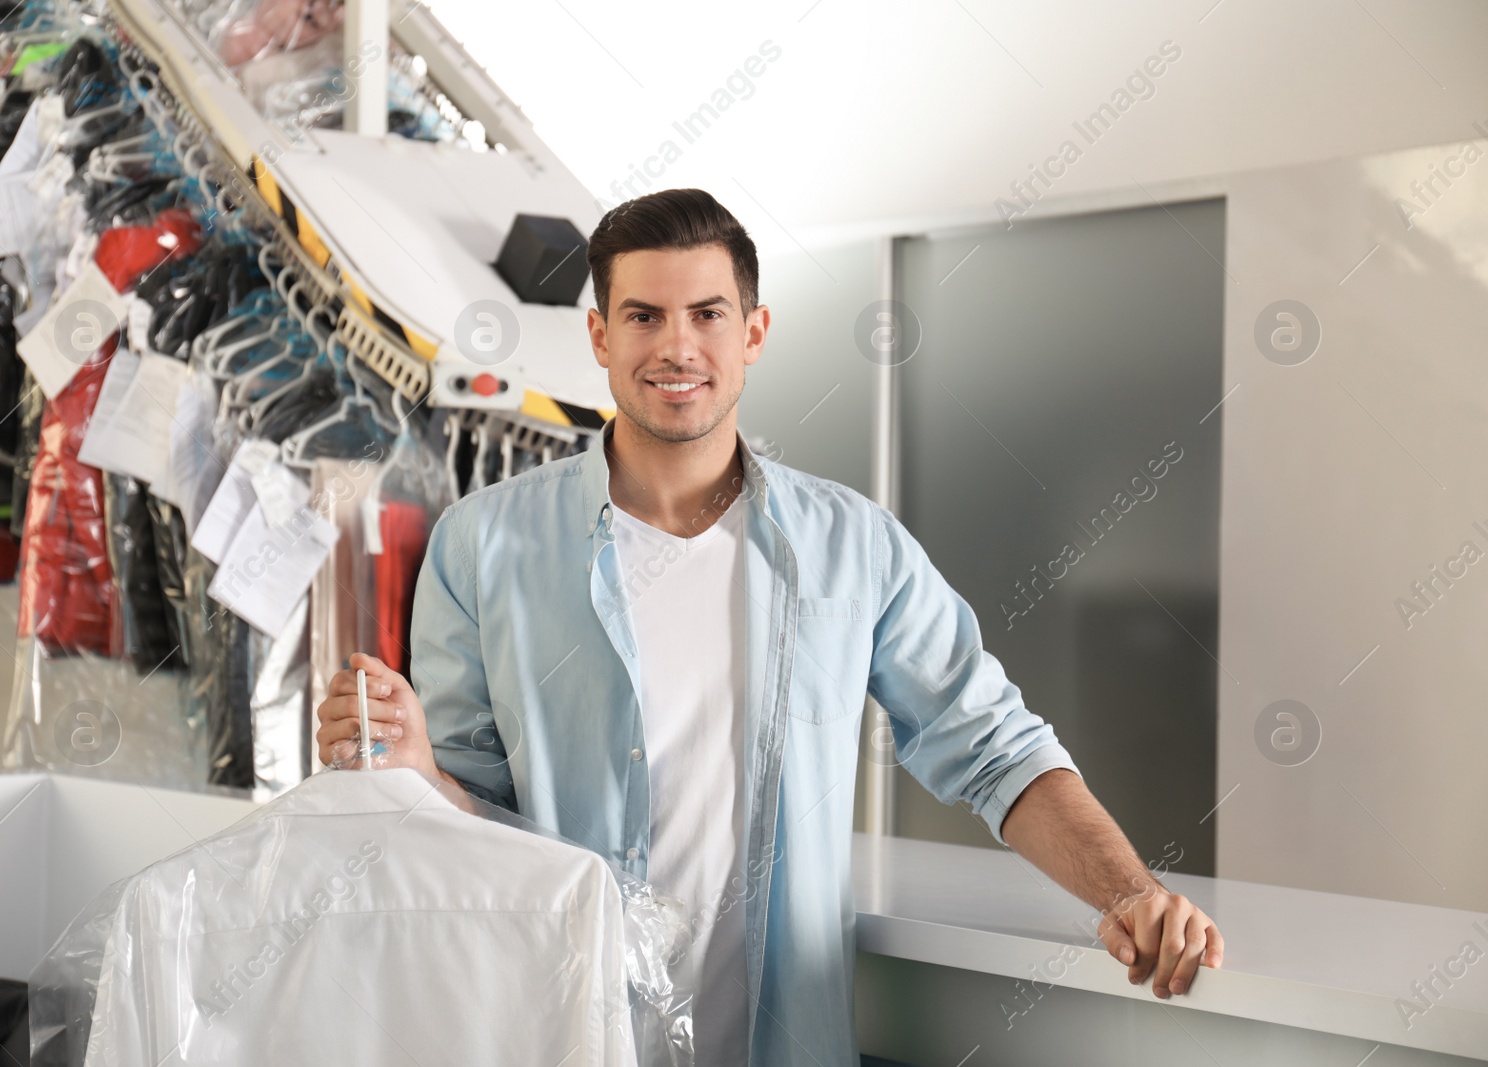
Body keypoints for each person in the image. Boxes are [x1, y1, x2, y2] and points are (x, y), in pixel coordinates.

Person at [316, 187, 1224, 1067]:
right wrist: (413, 772)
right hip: (560, 1032)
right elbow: (474, 821)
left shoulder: (853, 548)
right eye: (643, 316)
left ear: (753, 332)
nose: (677, 345)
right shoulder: (482, 544)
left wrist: (1133, 893)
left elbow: (995, 750)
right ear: (599, 334)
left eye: (708, 313)